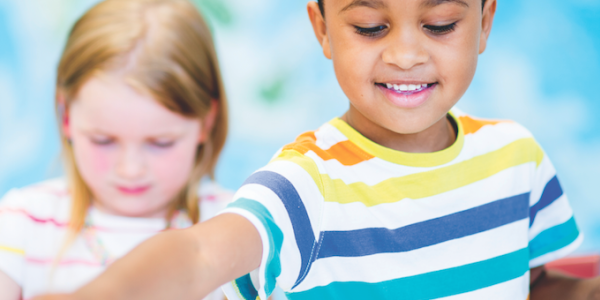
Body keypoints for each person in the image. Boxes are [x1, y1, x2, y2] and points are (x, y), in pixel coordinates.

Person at [30, 0, 600, 299]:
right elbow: (199, 256)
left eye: (440, 24)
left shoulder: (515, 157)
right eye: (371, 27)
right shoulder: (307, 186)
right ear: (323, 29)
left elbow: (535, 287)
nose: (405, 54)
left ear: (484, 22)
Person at [0, 0, 232, 299]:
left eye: (161, 143)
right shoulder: (20, 225)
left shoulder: (240, 228)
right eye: (103, 140)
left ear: (206, 122)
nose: (130, 169)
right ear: (66, 115)